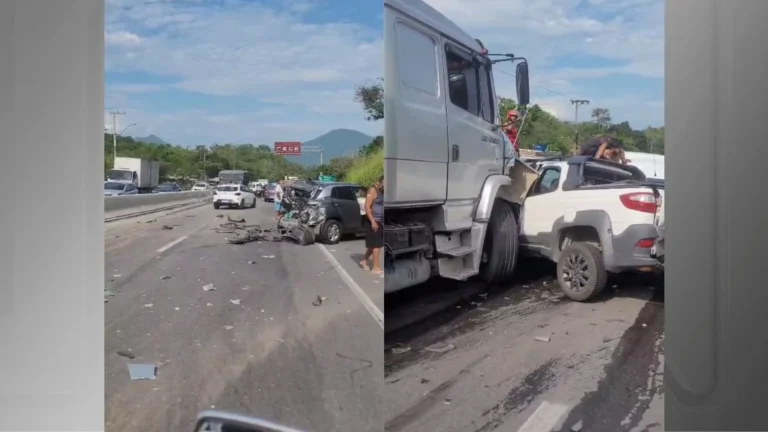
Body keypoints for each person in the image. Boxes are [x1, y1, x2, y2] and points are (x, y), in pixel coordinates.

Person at [360, 176, 384, 275]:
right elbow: (367, 206)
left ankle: (364, 260)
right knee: (376, 245)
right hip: (373, 221)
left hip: (380, 221)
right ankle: (375, 267)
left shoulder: (382, 191)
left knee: (374, 244)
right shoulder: (373, 190)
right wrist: (373, 221)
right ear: (380, 182)